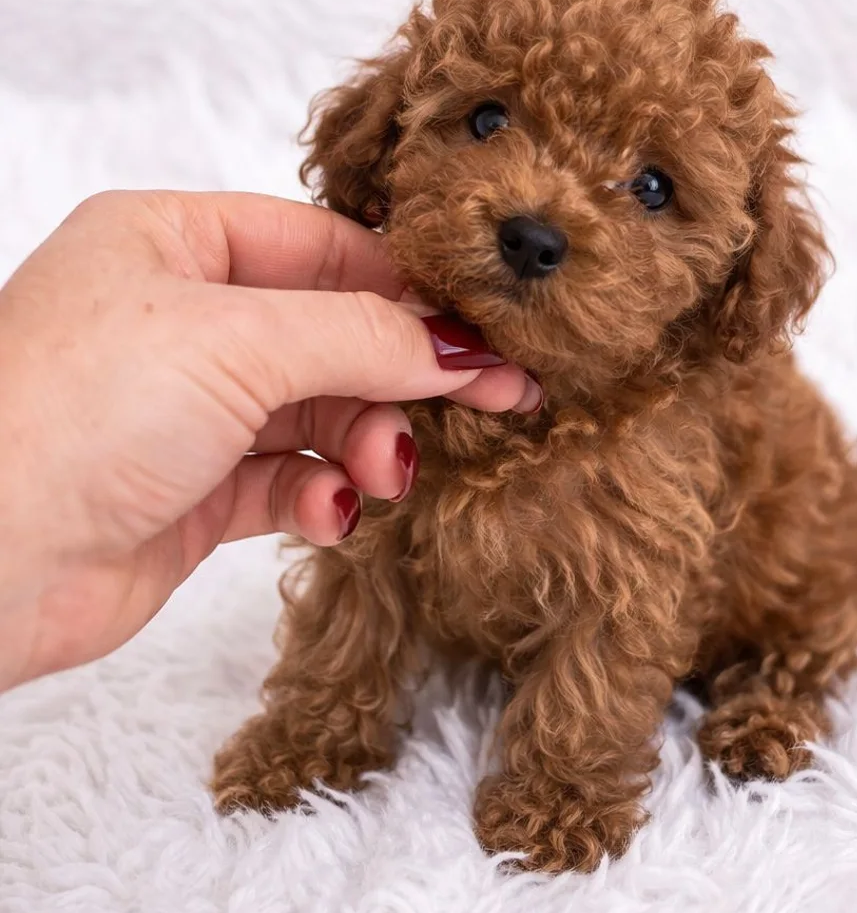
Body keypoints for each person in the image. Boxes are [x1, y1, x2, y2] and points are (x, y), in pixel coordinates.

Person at [0, 189, 540, 694]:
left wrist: (565, 786)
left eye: (632, 188)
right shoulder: (377, 401)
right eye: (489, 124)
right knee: (362, 527)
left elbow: (617, 626)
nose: (536, 228)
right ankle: (333, 721)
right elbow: (362, 566)